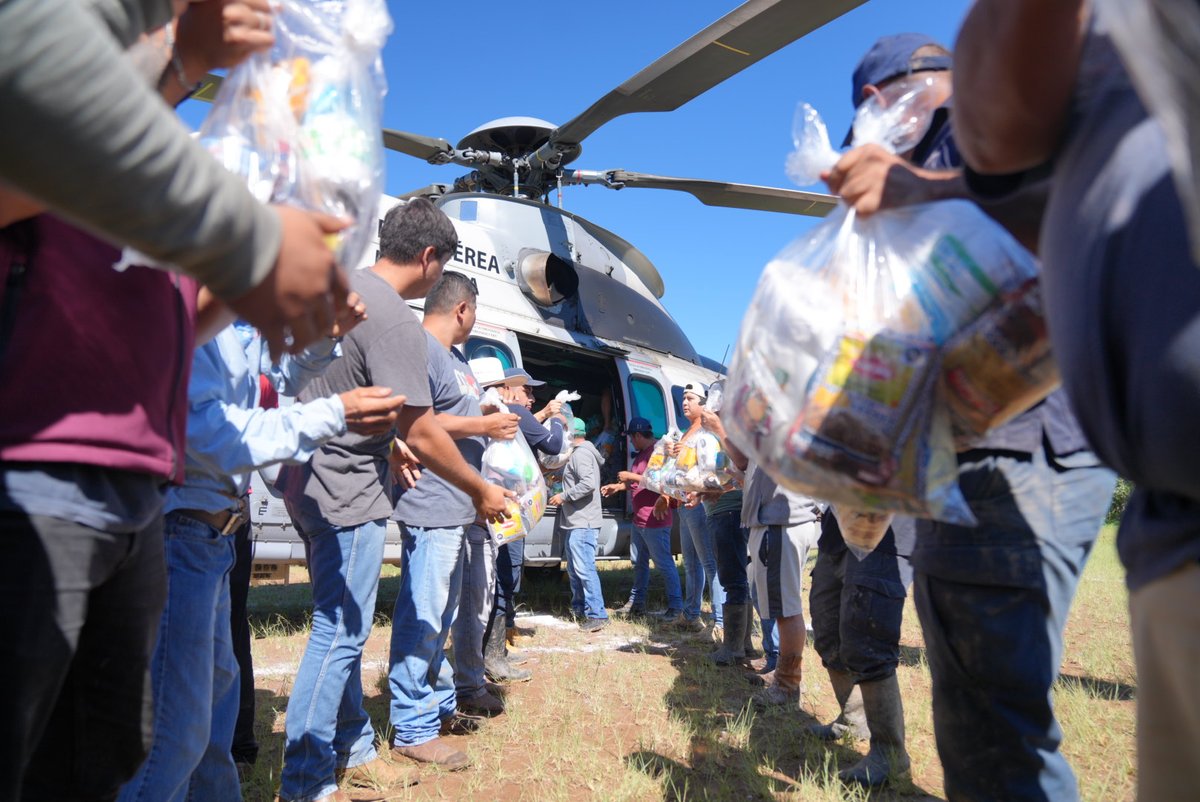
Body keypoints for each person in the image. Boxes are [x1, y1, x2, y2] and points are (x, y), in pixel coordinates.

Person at [0, 7, 292, 798]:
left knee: (104, 757)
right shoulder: (46, 90)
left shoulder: (150, 170)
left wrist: (254, 284)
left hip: (140, 497)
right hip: (35, 470)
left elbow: (177, 327)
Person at [823, 32, 1117, 797]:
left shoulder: (984, 130)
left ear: (891, 99)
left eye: (870, 120)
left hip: (1012, 448)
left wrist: (915, 188)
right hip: (994, 450)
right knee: (986, 708)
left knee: (994, 730)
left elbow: (1086, 207)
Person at [952, 5, 1200, 800]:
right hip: (1170, 525)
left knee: (1001, 715)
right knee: (980, 717)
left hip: (1030, 457)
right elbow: (1003, 144)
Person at [118, 310, 408, 802]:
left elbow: (279, 372)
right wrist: (334, 413)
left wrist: (324, 336)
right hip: (182, 531)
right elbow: (210, 433)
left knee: (211, 725)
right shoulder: (192, 316)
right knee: (176, 732)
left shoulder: (236, 325)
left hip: (212, 537)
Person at [274, 199, 510, 802]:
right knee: (339, 632)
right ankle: (306, 780)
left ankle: (353, 747)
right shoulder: (394, 320)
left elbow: (338, 391)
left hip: (308, 480)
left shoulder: (343, 288)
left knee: (343, 626)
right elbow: (425, 428)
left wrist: (388, 443)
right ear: (430, 260)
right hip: (347, 492)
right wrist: (480, 488)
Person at [0, 0, 353, 357]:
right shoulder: (100, 176)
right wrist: (253, 240)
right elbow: (31, 83)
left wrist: (260, 271)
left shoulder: (156, 199)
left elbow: (172, 337)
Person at [387, 274, 519, 768]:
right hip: (431, 505)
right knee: (422, 615)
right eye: (476, 311)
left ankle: (439, 705)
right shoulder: (420, 348)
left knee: (440, 614)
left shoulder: (456, 361)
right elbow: (416, 423)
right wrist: (483, 423)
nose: (475, 319)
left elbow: (448, 412)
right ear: (462, 309)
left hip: (458, 507)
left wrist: (479, 410)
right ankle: (413, 726)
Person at [701, 408, 821, 703]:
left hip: (781, 523)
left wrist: (719, 428)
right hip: (775, 522)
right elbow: (758, 470)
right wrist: (739, 479)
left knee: (786, 609)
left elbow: (746, 458)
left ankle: (787, 685)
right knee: (780, 606)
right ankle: (782, 674)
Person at [487, 366, 567, 678]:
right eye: (527, 390)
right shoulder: (516, 410)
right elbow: (553, 445)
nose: (531, 398)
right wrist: (558, 422)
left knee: (502, 573)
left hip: (503, 505)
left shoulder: (507, 411)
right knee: (505, 572)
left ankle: (500, 647)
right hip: (508, 508)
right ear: (510, 389)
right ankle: (496, 652)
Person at [601, 417, 683, 619]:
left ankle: (676, 606)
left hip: (655, 519)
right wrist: (619, 487)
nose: (630, 442)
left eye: (631, 437)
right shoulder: (641, 456)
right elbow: (641, 483)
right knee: (639, 562)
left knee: (663, 563)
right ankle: (637, 603)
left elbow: (659, 482)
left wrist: (631, 476)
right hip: (640, 520)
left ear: (638, 435)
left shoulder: (658, 452)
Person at [549, 418, 608, 631]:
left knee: (584, 569)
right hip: (576, 521)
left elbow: (588, 484)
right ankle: (580, 609)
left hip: (584, 521)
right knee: (575, 569)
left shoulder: (582, 454)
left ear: (571, 434)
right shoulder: (578, 453)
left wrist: (563, 496)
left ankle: (597, 614)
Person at [674, 383, 723, 634]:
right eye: (683, 398)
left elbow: (710, 467)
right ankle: (691, 614)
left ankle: (720, 621)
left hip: (700, 502)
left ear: (703, 403)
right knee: (691, 563)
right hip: (684, 502)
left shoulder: (707, 431)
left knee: (709, 563)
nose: (685, 402)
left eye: (690, 398)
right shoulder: (685, 432)